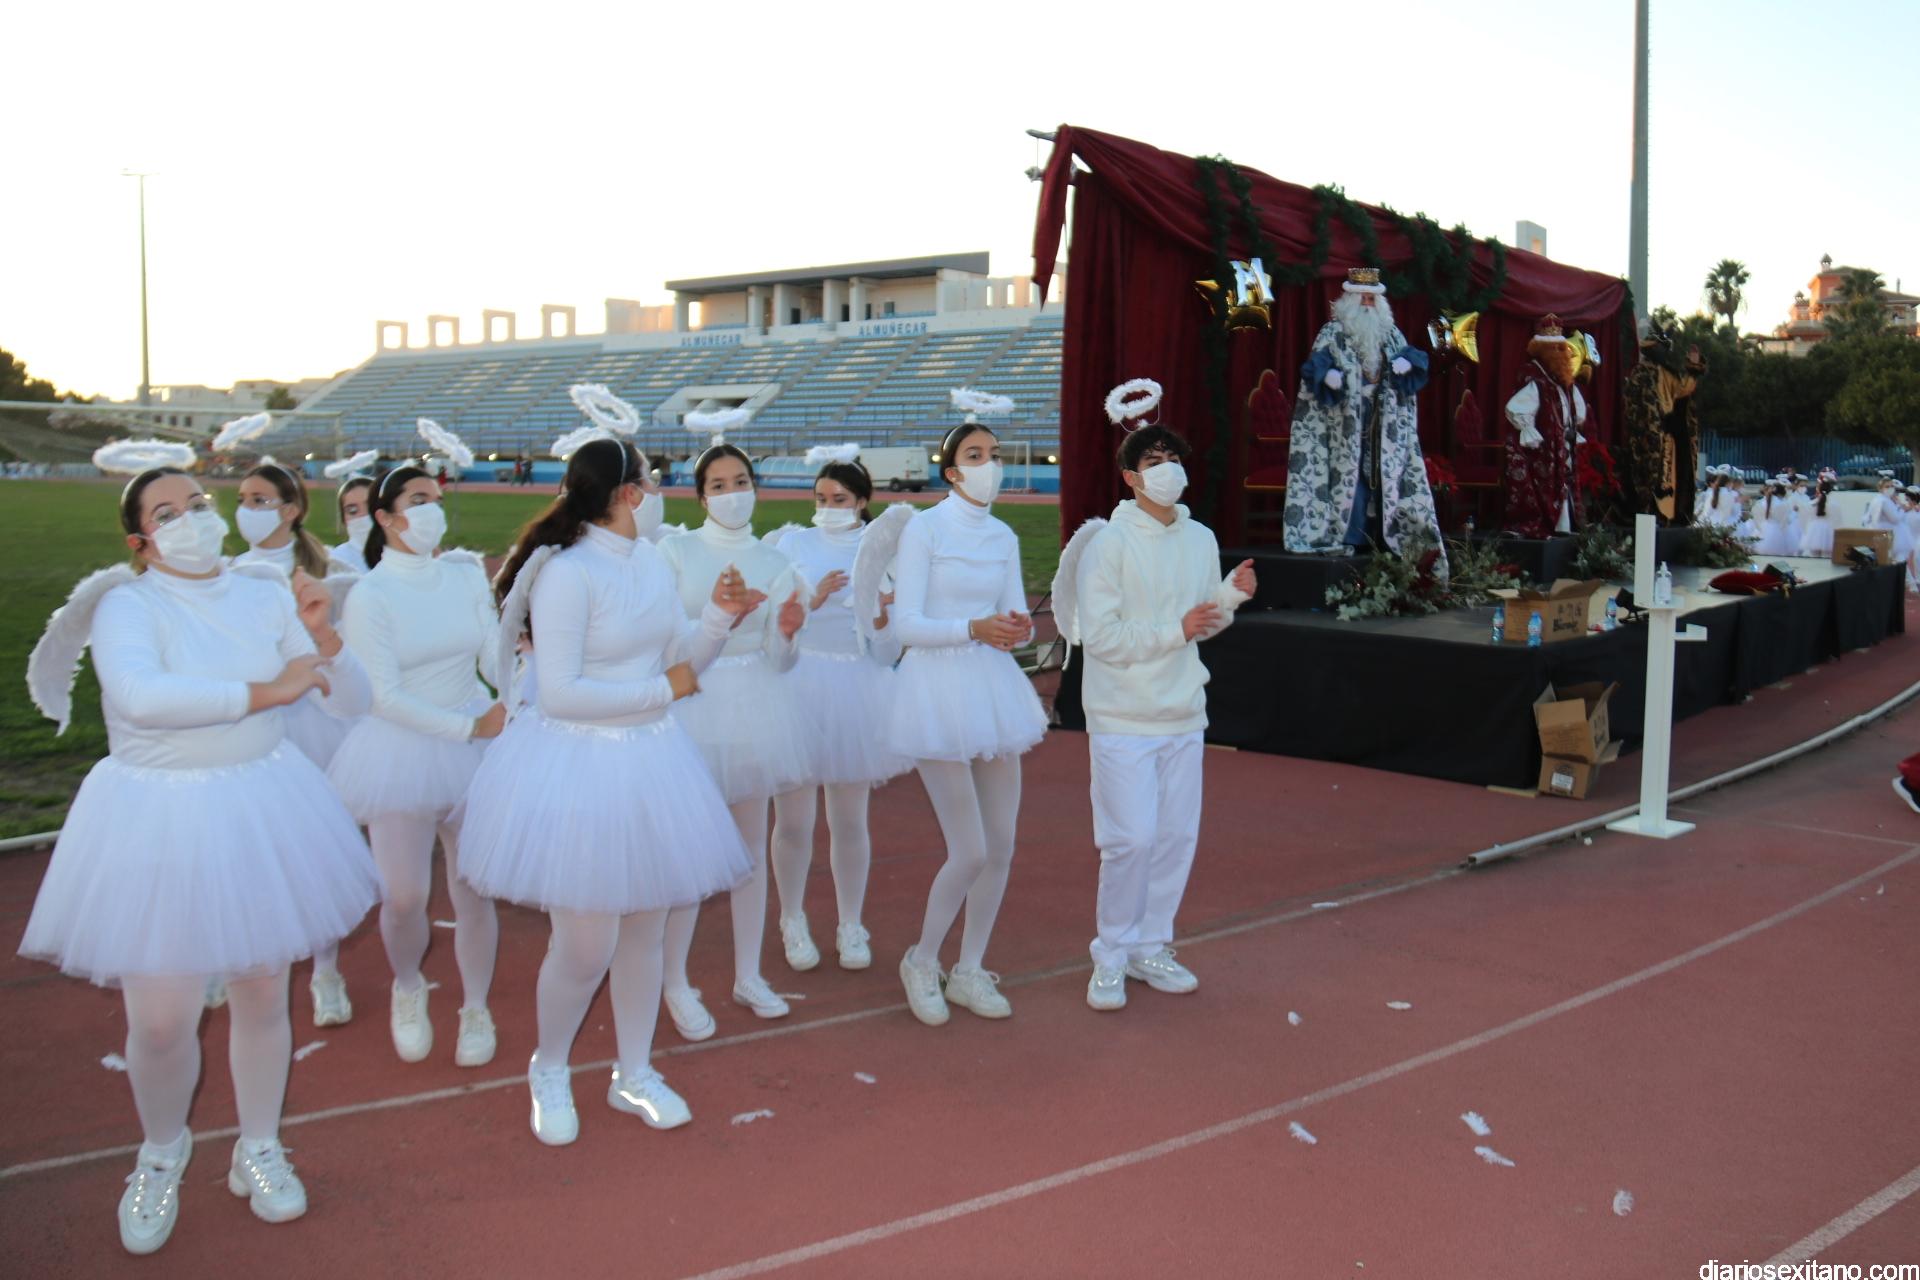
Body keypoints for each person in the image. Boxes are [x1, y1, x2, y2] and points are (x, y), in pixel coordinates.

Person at [20, 464, 380, 1253]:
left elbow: (350, 701)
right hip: (156, 817)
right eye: (167, 513)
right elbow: (142, 697)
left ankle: (259, 1145)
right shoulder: (128, 604)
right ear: (140, 542)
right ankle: (162, 1152)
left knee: (262, 992)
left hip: (260, 802)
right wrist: (268, 691)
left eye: (197, 503)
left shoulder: (262, 591)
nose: (191, 518)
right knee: (159, 1022)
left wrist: (323, 638)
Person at [459, 438, 756, 1142]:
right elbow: (561, 693)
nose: (657, 491)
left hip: (649, 759)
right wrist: (663, 691)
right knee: (586, 944)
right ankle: (550, 1066)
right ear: (627, 493)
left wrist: (718, 619)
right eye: (649, 480)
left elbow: (680, 656)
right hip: (579, 765)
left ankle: (634, 1071)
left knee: (646, 930)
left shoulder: (647, 561)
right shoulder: (567, 573)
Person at [1058, 421, 1255, 1010]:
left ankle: (1150, 946)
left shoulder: (1200, 538)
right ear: (1131, 477)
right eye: (1152, 461)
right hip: (1122, 715)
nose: (1166, 469)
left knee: (1173, 838)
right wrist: (1177, 630)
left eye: (1173, 457)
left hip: (1183, 712)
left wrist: (1229, 598)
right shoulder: (1109, 544)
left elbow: (1204, 623)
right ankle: (1111, 955)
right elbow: (1101, 637)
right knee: (1131, 840)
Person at [327, 466, 506, 1068]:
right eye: (417, 499)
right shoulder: (370, 596)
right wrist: (469, 728)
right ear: (385, 517)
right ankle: (408, 986)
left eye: (436, 497)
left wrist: (521, 679)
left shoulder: (464, 575)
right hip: (402, 747)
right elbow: (382, 695)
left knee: (474, 886)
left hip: (474, 742)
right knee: (404, 896)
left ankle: (475, 1005)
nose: (432, 508)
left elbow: (491, 654)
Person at [883, 415, 1047, 1024]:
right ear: (952, 473)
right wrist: (973, 628)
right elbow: (907, 625)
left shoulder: (1002, 535)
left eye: (995, 453)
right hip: (935, 691)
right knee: (970, 849)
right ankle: (922, 959)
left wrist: (1014, 628)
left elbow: (1010, 611)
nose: (990, 464)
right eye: (976, 455)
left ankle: (970, 969)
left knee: (1000, 845)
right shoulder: (924, 530)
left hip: (992, 688)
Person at [656, 444, 811, 1031]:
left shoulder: (775, 561)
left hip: (755, 709)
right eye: (718, 485)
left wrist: (788, 633)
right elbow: (667, 644)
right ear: (701, 497)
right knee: (687, 854)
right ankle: (675, 981)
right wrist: (721, 618)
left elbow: (780, 661)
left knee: (749, 852)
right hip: (692, 703)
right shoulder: (675, 552)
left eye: (740, 481)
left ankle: (749, 973)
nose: (731, 493)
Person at [768, 451, 909, 972]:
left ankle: (851, 923)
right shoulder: (792, 545)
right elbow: (774, 627)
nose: (828, 507)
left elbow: (887, 653)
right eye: (821, 498)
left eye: (840, 499)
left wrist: (882, 617)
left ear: (862, 501)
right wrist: (813, 602)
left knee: (850, 820)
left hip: (857, 687)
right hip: (798, 685)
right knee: (793, 821)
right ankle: (792, 918)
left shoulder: (883, 551)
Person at [232, 462, 360, 1028]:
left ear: (291, 510)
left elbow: (349, 658)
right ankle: (233, 952)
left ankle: (325, 969)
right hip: (252, 724)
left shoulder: (330, 573)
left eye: (259, 499)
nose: (246, 509)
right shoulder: (226, 575)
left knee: (316, 851)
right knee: (244, 847)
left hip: (317, 722)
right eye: (242, 499)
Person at [1283, 266, 1443, 570]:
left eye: (1372, 299)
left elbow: (1414, 363)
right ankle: (1350, 535)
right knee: (1352, 477)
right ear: (1350, 301)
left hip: (1383, 422)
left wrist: (1406, 366)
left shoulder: (1391, 334)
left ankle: (1382, 534)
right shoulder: (1333, 332)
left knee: (1381, 477)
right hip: (1344, 424)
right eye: (1363, 299)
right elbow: (1316, 367)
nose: (1368, 304)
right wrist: (1328, 375)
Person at [1502, 315, 1587, 539]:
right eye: (1555, 348)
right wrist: (1534, 434)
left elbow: (1577, 410)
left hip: (1563, 443)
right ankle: (1546, 523)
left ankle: (1564, 527)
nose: (1560, 353)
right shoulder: (1534, 376)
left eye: (1562, 348)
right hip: (1541, 448)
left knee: (1565, 482)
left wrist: (1570, 430)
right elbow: (1517, 410)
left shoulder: (1563, 380)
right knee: (1548, 482)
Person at [331, 475, 376, 574]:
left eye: (370, 506)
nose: (362, 515)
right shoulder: (336, 560)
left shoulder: (405, 555)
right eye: (352, 510)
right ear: (343, 519)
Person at [1799, 476, 1837, 558]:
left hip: (1814, 528)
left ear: (1818, 489)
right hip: (1827, 528)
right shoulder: (1833, 504)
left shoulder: (1811, 503)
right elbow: (1836, 520)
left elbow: (1805, 516)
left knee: (1815, 555)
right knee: (1827, 556)